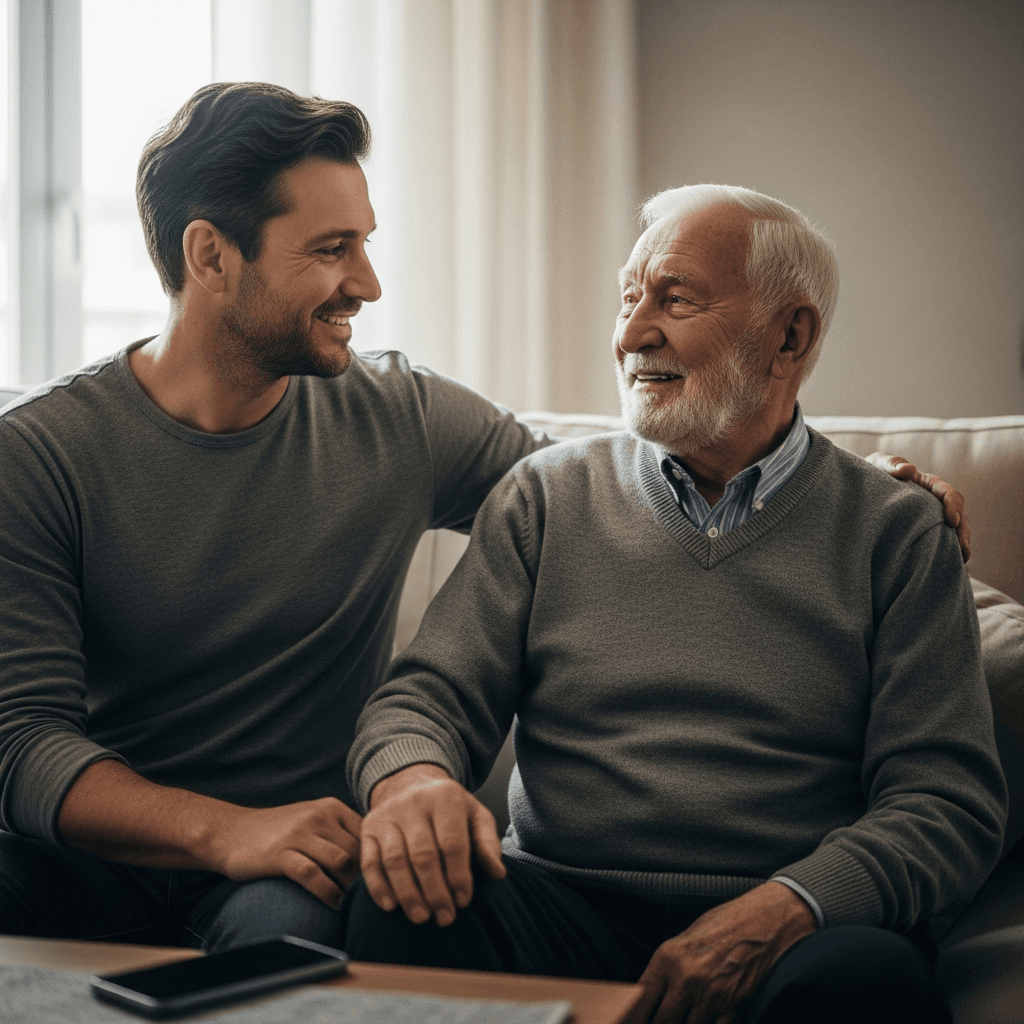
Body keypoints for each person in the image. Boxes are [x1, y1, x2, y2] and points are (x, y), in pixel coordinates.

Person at [0, 82, 967, 955]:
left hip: (291, 870)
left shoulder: (406, 419)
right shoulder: (38, 454)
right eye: (333, 249)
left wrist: (859, 482)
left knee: (300, 958)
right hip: (89, 849)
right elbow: (21, 738)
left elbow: (642, 470)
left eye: (365, 242)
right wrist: (240, 823)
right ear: (211, 255)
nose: (369, 283)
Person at [343, 185, 1007, 1023]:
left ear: (789, 336)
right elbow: (426, 696)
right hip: (559, 902)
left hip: (791, 922)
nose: (630, 335)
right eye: (628, 298)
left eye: (675, 299)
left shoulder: (898, 531)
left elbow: (946, 800)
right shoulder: (545, 499)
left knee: (868, 985)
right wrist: (412, 781)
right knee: (399, 906)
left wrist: (792, 903)